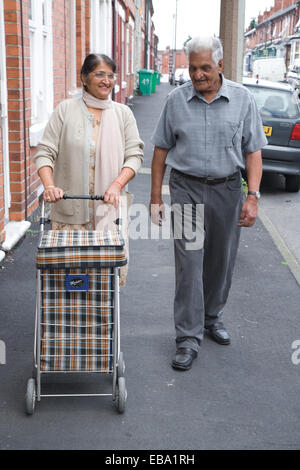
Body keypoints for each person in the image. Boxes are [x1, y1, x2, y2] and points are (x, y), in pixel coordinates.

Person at [150, 36, 267, 371]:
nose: (197, 74)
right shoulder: (175, 101)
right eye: (192, 67)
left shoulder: (243, 99)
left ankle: (212, 318)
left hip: (227, 190)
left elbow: (253, 151)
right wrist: (156, 196)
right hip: (186, 188)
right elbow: (160, 150)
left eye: (204, 67)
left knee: (220, 261)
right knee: (189, 264)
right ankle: (187, 337)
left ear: (220, 65)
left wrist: (253, 197)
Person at [34, 53, 144, 285]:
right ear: (84, 78)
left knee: (103, 286)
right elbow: (45, 152)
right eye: (99, 74)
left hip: (108, 212)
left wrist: (116, 185)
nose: (107, 81)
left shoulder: (123, 114)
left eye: (111, 75)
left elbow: (134, 156)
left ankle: (103, 323)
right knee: (66, 281)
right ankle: (65, 321)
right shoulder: (65, 110)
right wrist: (50, 186)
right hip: (69, 214)